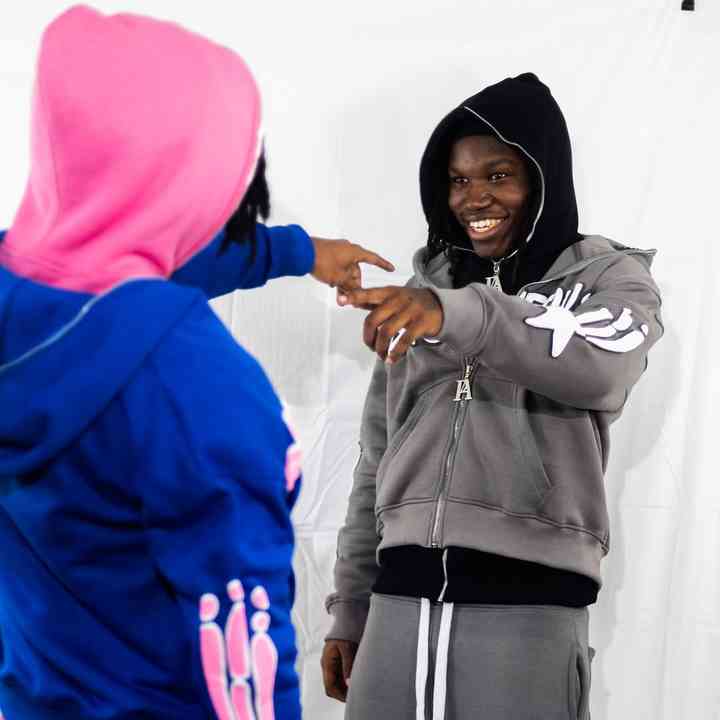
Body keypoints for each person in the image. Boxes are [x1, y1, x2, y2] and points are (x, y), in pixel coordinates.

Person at [0, 6, 394, 720]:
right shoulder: (195, 383)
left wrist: (296, 251)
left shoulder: (19, 289)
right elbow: (243, 639)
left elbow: (121, 251)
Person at [322, 72, 663, 720]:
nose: (474, 197)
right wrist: (352, 604)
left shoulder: (609, 279)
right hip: (398, 603)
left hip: (529, 606)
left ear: (542, 179)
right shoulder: (423, 295)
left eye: (498, 175)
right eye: (457, 180)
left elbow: (604, 368)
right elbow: (376, 457)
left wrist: (460, 315)